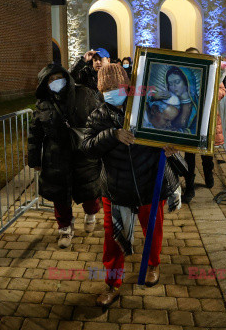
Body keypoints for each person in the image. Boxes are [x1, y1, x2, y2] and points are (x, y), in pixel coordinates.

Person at [82, 64, 181, 308]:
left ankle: (153, 264)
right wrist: (112, 135)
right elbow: (86, 146)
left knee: (153, 229)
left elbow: (168, 131)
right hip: (116, 187)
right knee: (113, 239)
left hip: (149, 182)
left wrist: (170, 147)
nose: (111, 92)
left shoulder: (146, 109)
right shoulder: (98, 115)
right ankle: (112, 283)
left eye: (116, 87)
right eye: (106, 89)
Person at [28, 64, 102, 248]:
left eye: (58, 77)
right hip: (56, 157)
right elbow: (35, 133)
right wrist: (35, 159)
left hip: (83, 152)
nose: (55, 82)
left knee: (89, 190)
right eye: (50, 80)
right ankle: (65, 229)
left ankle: (91, 214)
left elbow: (99, 119)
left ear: (66, 77)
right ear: (45, 83)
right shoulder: (43, 103)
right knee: (60, 196)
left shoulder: (83, 94)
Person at [179, 47, 226, 203]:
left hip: (207, 121)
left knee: (207, 153)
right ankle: (190, 187)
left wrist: (212, 92)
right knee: (189, 156)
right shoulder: (183, 74)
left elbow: (221, 91)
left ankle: (208, 174)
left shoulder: (211, 71)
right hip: (190, 121)